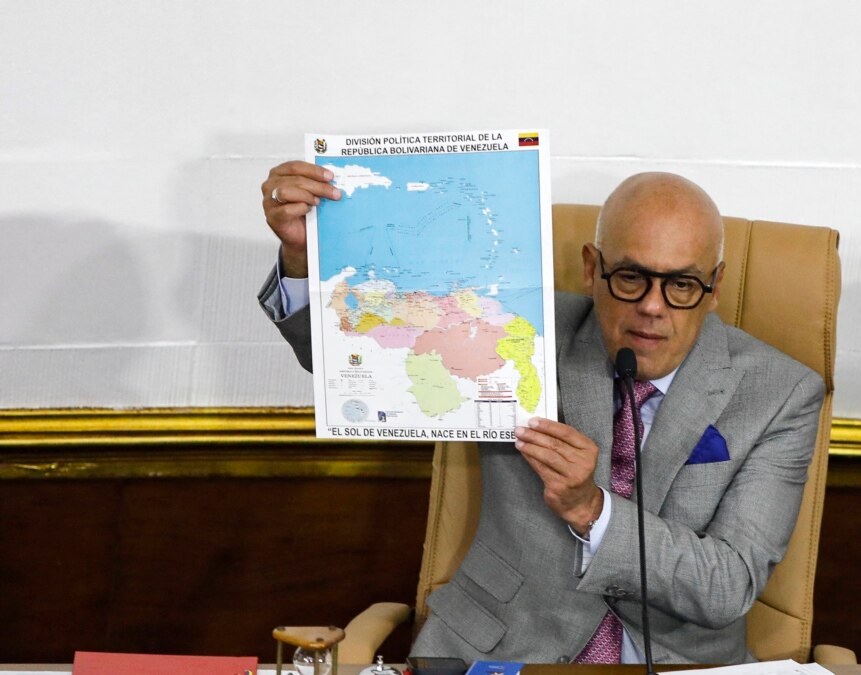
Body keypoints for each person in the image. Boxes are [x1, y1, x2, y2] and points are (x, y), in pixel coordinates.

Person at [257, 162, 825, 664]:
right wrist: (305, 258)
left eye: (681, 284)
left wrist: (592, 510)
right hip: (501, 645)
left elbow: (727, 584)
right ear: (591, 267)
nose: (652, 308)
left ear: (715, 285)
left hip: (675, 662)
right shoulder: (518, 330)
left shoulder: (781, 394)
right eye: (631, 277)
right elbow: (352, 358)